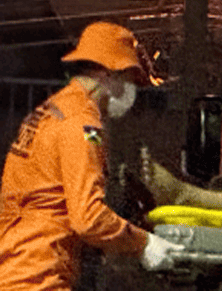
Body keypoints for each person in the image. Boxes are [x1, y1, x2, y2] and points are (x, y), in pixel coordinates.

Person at [0, 22, 183, 290]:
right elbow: (89, 218)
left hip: (18, 263)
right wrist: (144, 244)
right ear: (108, 72)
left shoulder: (57, 110)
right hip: (38, 274)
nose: (132, 90)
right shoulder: (83, 125)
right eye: (130, 79)